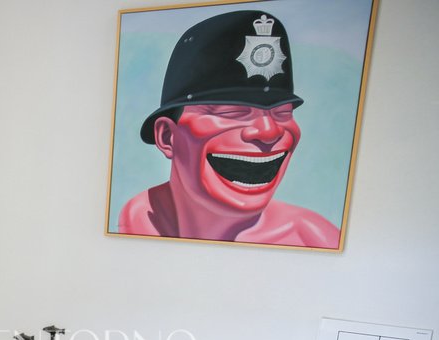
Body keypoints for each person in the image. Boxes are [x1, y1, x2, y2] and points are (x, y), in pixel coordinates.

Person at [119, 11, 340, 248]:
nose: (269, 131)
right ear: (167, 137)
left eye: (282, 113)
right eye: (232, 112)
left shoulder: (313, 239)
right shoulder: (135, 219)